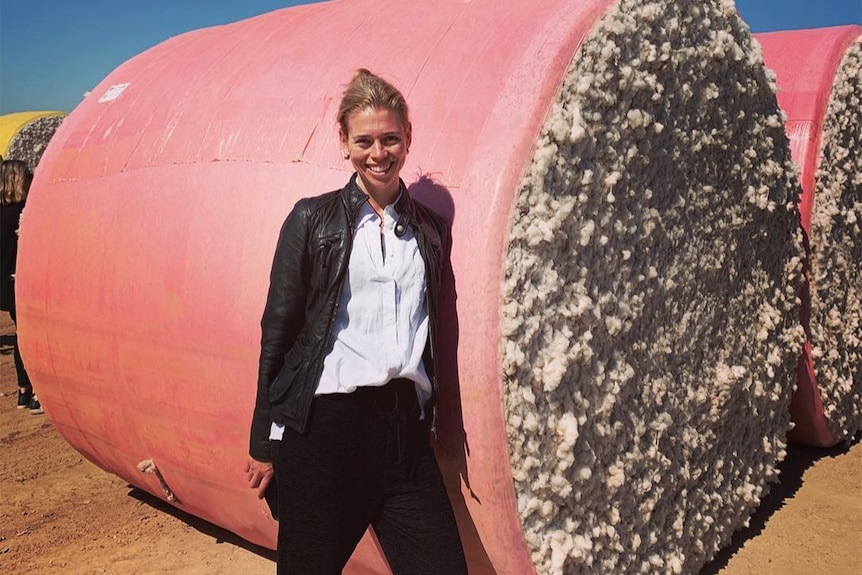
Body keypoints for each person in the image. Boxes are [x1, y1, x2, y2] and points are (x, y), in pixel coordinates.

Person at [245, 69, 468, 574]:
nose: (379, 153)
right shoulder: (310, 220)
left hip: (404, 438)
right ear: (343, 141)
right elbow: (277, 334)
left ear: (408, 138)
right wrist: (263, 442)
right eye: (364, 140)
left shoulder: (430, 232)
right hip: (325, 435)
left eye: (390, 138)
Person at [0, 159, 42, 414]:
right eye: (27, 174)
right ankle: (36, 391)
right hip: (24, 282)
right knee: (34, 337)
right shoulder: (27, 211)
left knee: (21, 334)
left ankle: (23, 390)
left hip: (4, 285)